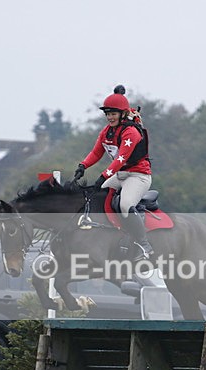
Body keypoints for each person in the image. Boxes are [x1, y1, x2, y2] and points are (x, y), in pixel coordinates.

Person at [69, 85, 154, 261]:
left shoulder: (131, 132)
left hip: (138, 176)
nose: (109, 117)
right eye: (107, 114)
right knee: (95, 197)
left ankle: (144, 245)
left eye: (113, 113)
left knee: (124, 205)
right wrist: (82, 166)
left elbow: (121, 159)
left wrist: (103, 177)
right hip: (120, 175)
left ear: (123, 114)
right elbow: (96, 153)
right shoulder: (106, 132)